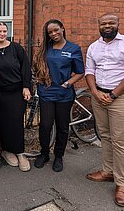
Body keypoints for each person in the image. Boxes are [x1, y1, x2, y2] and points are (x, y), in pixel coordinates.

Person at [85, 13, 124, 207]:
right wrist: (94, 92)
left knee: (121, 141)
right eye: (104, 23)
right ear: (99, 25)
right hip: (99, 96)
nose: (107, 26)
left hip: (122, 97)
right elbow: (89, 71)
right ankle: (108, 171)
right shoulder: (94, 47)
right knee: (105, 135)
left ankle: (122, 184)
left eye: (111, 23)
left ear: (118, 24)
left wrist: (113, 95)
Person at [32, 19, 84, 172]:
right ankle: (44, 153)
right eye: (50, 32)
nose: (54, 34)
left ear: (62, 28)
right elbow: (37, 67)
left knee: (62, 127)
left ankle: (59, 156)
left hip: (64, 94)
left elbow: (80, 72)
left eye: (56, 30)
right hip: (46, 93)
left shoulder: (73, 49)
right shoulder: (45, 49)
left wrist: (67, 83)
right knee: (45, 125)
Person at [0, 22, 32, 172]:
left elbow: (26, 68)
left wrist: (26, 86)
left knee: (16, 121)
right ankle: (7, 151)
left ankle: (20, 153)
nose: (2, 34)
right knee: (4, 122)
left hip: (17, 91)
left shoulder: (16, 48)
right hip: (0, 92)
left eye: (4, 31)